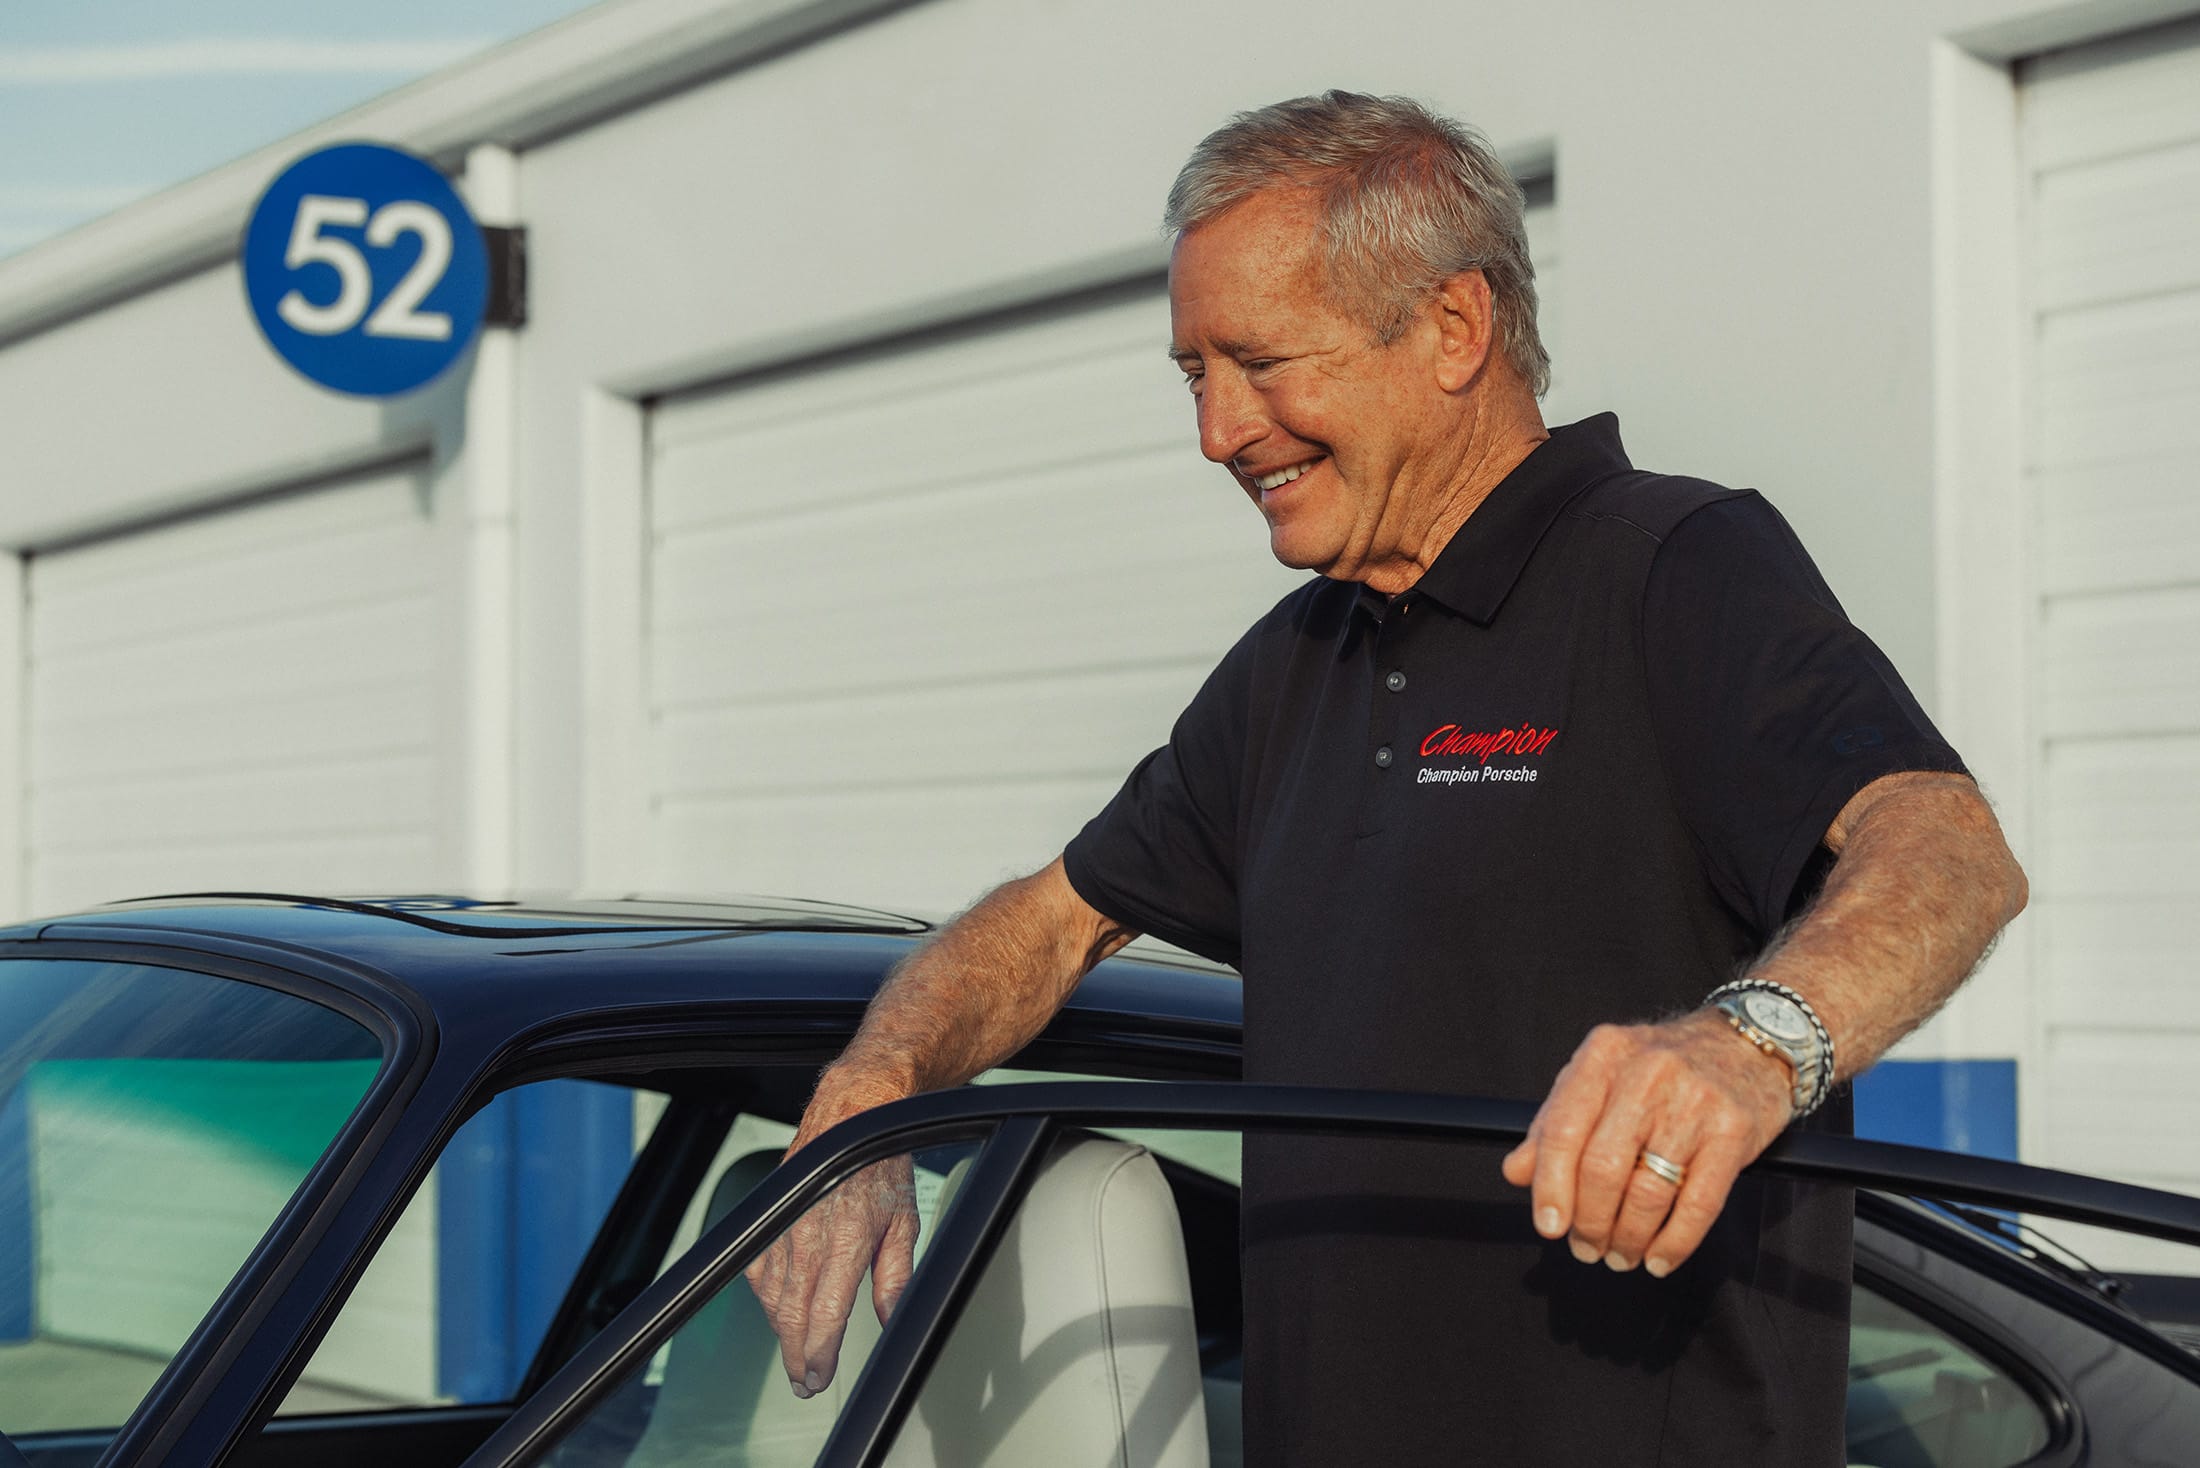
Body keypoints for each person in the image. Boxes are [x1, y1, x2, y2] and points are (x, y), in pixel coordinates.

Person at [744, 91, 2027, 1464]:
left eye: (1259, 362)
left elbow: (1950, 852)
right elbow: (1054, 921)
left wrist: (1751, 1046)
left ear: (1455, 328)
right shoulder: (1292, 666)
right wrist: (876, 1085)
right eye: (1193, 374)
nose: (1219, 431)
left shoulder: (1670, 566)